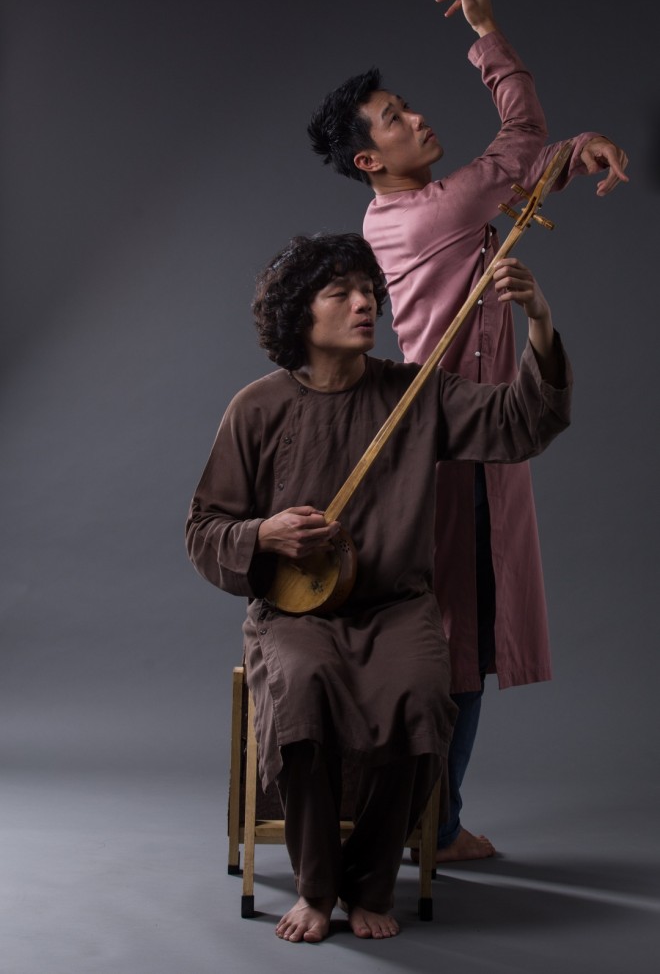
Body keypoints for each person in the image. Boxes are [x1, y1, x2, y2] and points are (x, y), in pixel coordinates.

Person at [307, 0, 628, 864]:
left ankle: (425, 820)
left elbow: (517, 181)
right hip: (455, 447)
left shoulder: (407, 213)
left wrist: (577, 153)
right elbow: (519, 142)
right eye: (395, 119)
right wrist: (487, 35)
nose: (417, 118)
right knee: (461, 636)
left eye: (406, 106)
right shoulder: (426, 213)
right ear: (370, 157)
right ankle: (433, 827)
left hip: (464, 437)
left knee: (462, 631)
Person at [185, 231, 572, 943]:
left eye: (369, 291)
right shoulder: (256, 407)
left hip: (398, 609)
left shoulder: (416, 393)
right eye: (342, 293)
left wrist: (540, 321)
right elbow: (204, 529)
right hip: (294, 616)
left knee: (422, 695)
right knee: (301, 690)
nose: (365, 303)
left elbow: (523, 423)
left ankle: (368, 883)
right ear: (300, 313)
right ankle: (315, 887)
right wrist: (264, 535)